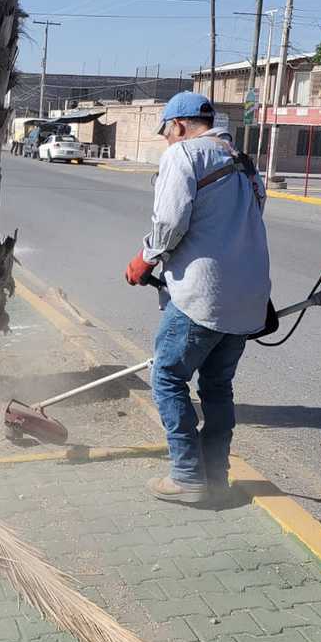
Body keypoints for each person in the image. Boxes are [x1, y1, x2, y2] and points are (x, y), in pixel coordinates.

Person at [125, 92, 270, 505]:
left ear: (180, 125)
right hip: (248, 298)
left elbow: (170, 222)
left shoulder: (183, 155)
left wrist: (146, 257)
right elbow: (254, 212)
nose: (168, 141)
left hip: (203, 296)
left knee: (168, 377)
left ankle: (187, 476)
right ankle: (215, 476)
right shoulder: (243, 162)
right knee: (218, 386)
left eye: (167, 133)